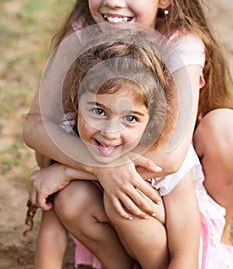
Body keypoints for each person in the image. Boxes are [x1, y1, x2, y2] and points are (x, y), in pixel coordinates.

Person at [23, 0, 233, 266]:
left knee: (225, 127)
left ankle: (211, 240)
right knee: (67, 181)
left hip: (168, 191)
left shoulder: (183, 44)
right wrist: (103, 169)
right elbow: (35, 126)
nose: (113, 1)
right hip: (115, 189)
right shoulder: (83, 33)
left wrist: (76, 168)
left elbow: (167, 160)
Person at [30, 33, 201, 269]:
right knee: (70, 199)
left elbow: (186, 255)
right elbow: (52, 236)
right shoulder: (68, 136)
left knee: (124, 200)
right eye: (98, 111)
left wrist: (66, 172)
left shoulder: (165, 158)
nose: (110, 133)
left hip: (166, 256)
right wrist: (64, 171)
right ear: (77, 100)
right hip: (118, 250)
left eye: (130, 118)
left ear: (151, 120)